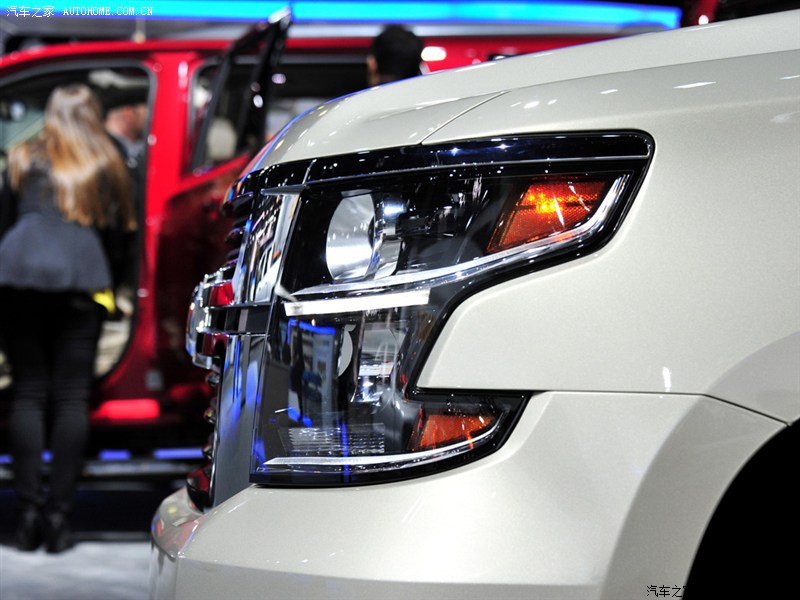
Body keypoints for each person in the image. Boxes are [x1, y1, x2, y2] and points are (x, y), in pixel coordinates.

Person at [0, 84, 136, 553]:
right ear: (93, 113)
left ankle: (27, 515)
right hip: (82, 279)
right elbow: (121, 235)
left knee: (28, 392)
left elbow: (4, 221)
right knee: (71, 398)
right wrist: (117, 289)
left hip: (16, 276)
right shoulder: (107, 159)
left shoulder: (22, 155)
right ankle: (58, 518)